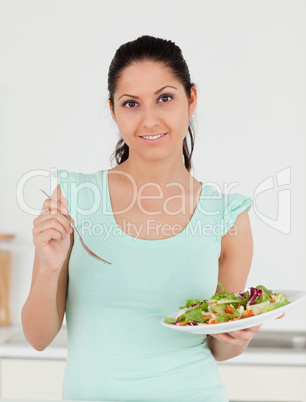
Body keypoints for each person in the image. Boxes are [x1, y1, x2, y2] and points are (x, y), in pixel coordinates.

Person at [21, 35, 262, 402]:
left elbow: (219, 349)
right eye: (131, 103)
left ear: (191, 99)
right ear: (113, 110)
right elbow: (38, 339)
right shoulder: (74, 199)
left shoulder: (228, 216)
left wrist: (237, 337)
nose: (149, 119)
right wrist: (48, 269)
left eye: (165, 98)